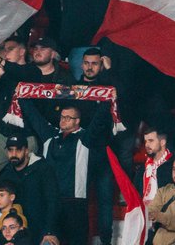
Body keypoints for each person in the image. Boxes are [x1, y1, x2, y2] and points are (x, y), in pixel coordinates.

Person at [22, 101, 112, 245]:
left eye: (68, 118)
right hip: (51, 202)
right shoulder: (50, 136)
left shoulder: (85, 138)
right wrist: (20, 96)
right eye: (62, 117)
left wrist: (107, 100)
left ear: (77, 121)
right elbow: (34, 117)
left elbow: (98, 120)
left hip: (75, 204)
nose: (63, 120)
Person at [0, 136, 60, 245]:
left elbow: (53, 202)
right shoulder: (5, 174)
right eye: (10, 150)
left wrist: (49, 231)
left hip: (42, 230)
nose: (14, 154)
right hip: (15, 234)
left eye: (18, 149)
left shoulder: (43, 169)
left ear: (26, 151)